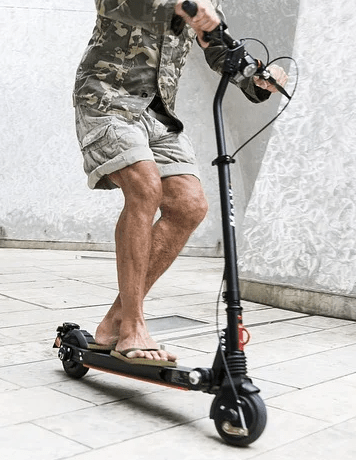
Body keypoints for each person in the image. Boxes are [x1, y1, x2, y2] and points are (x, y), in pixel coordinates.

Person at [73, 0, 288, 366]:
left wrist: (255, 78)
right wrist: (180, 6)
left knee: (189, 206)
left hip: (158, 113)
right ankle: (133, 327)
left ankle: (115, 322)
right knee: (145, 187)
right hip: (107, 100)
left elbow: (217, 45)